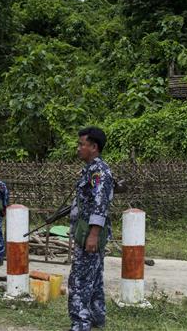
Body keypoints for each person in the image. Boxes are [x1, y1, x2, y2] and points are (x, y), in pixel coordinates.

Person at [68, 127, 114, 331]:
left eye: (81, 144)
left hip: (89, 234)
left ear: (94, 147)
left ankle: (80, 324)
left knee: (79, 281)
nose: (78, 148)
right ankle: (96, 318)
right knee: (94, 279)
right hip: (84, 232)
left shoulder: (99, 172)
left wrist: (93, 235)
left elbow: (99, 204)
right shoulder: (90, 169)